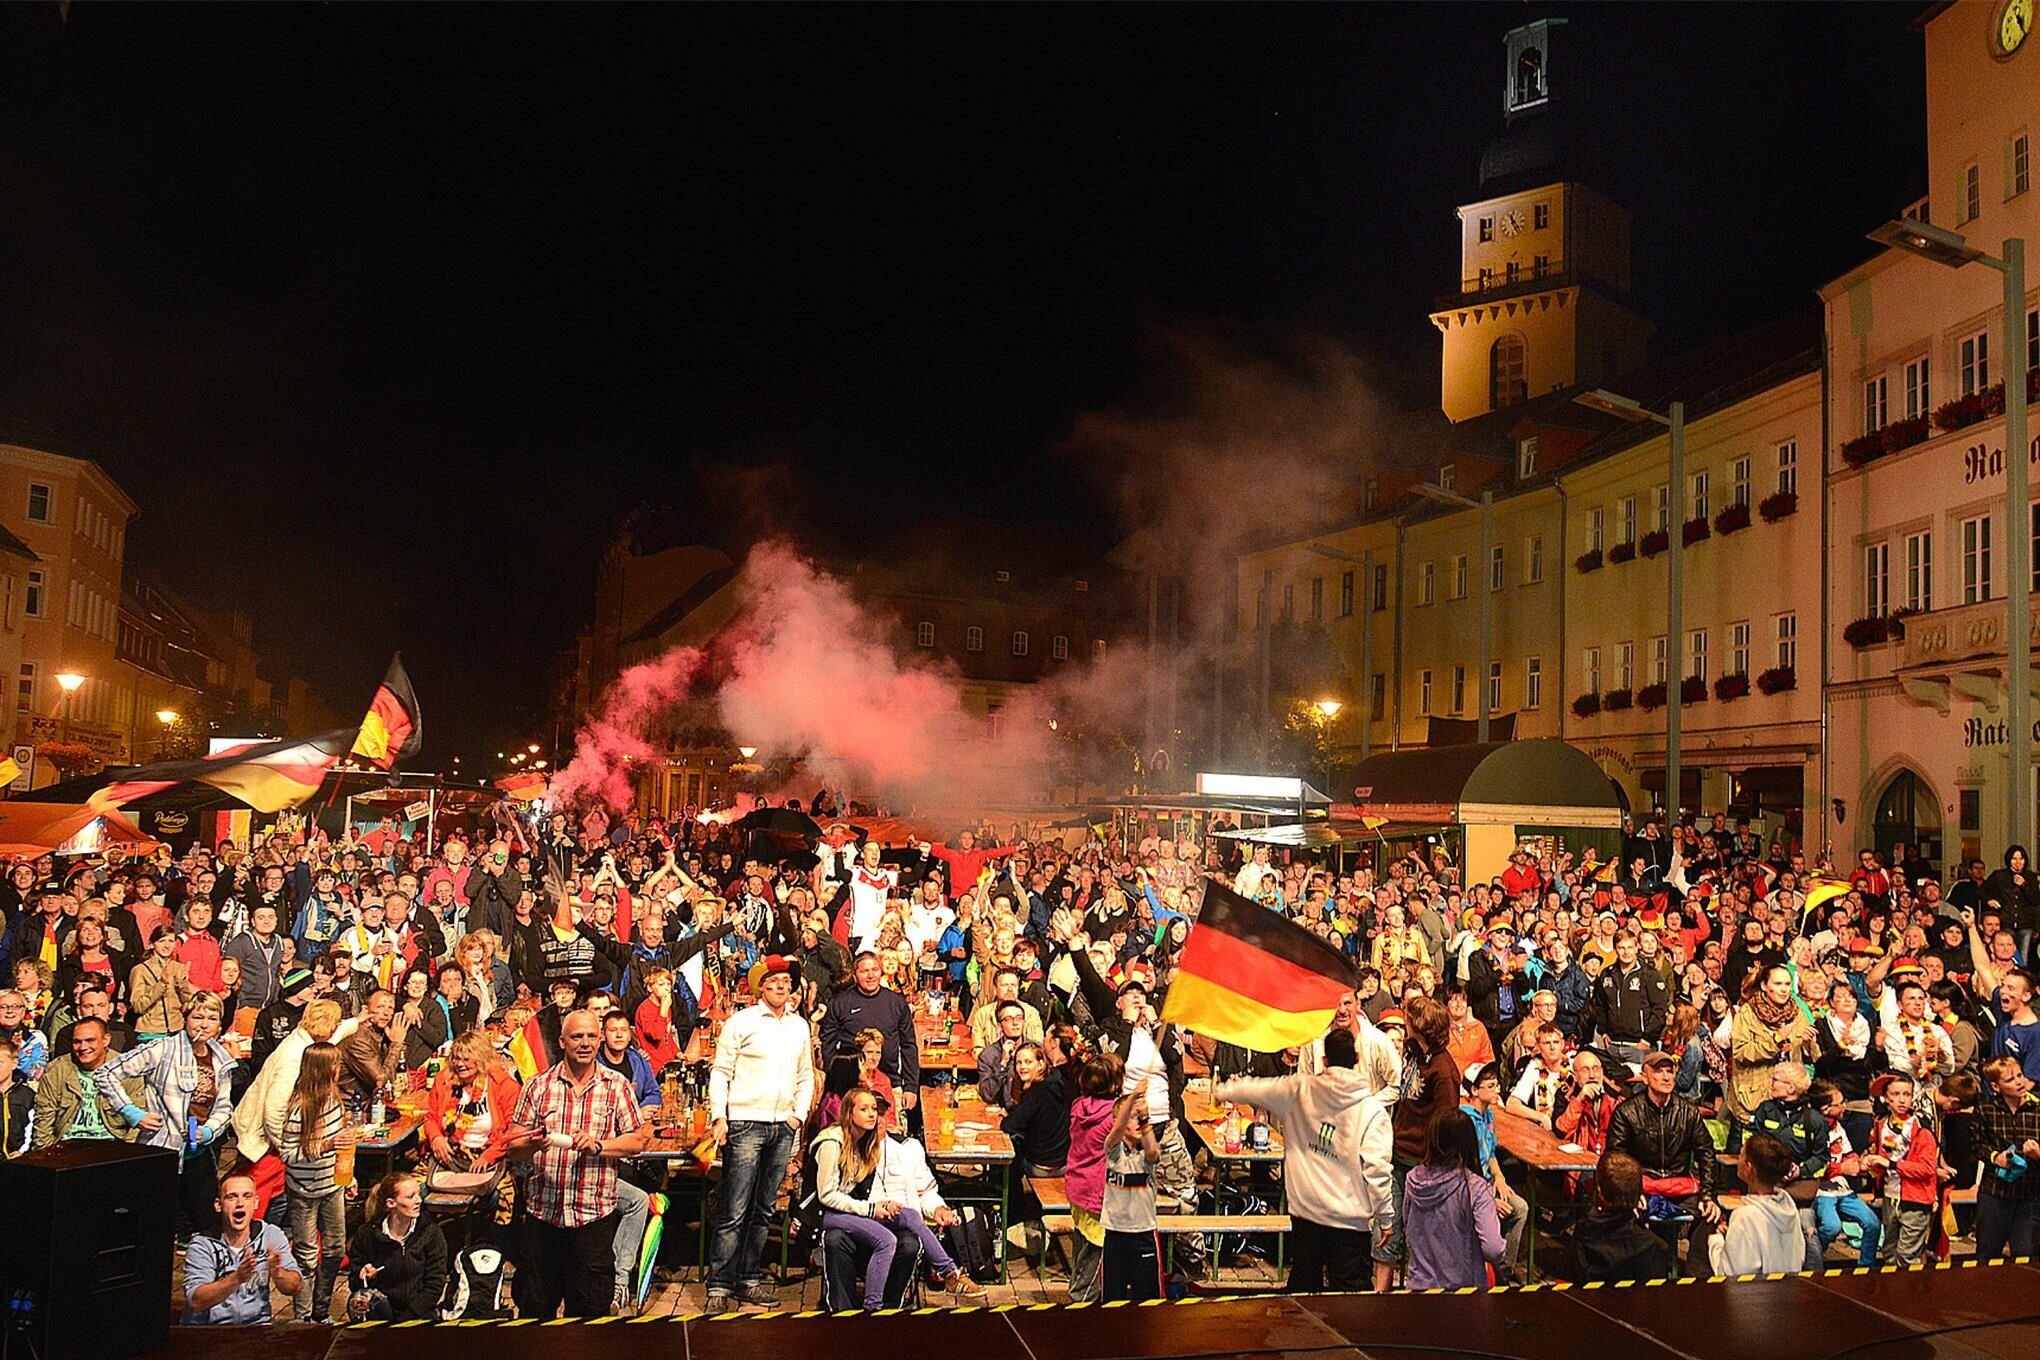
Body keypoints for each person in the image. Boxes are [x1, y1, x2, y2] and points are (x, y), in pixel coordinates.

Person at [1213, 1026, 1394, 1293]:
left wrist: (1222, 1091)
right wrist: (1385, 1217)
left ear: (1324, 1060)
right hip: (1350, 1221)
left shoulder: (1300, 1090)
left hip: (1306, 1214)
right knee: (1351, 1303)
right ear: (1356, 1060)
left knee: (1303, 1298)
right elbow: (1377, 1170)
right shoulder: (1371, 1111)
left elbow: (1256, 1088)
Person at [505, 1008, 651, 1318]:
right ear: (561, 1042)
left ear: (599, 1040)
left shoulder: (617, 1086)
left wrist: (599, 1146)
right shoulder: (538, 1086)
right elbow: (513, 1147)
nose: (584, 1043)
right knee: (535, 1311)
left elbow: (637, 1142)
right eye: (576, 1037)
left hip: (592, 1220)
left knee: (589, 1316)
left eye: (590, 1036)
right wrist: (532, 1143)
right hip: (543, 1219)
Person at [704, 955, 814, 1314]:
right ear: (761, 986)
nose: (782, 986)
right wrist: (720, 1116)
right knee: (735, 1207)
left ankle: (749, 1279)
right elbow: (720, 1072)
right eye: (774, 981)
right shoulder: (741, 1022)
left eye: (786, 981)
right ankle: (719, 1284)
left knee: (764, 1208)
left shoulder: (799, 1026)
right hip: (745, 1123)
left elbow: (806, 1074)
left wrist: (797, 1116)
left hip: (782, 1126)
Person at [92, 993, 237, 1234]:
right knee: (154, 1223)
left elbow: (223, 1106)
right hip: (163, 1149)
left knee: (207, 1224)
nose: (204, 1024)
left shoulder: (221, 1059)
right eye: (197, 1017)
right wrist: (132, 1113)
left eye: (212, 1018)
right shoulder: (163, 1049)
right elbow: (106, 1074)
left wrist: (210, 1130)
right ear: (185, 1018)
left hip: (198, 1153)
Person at [1605, 1050, 1720, 1266]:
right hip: (1643, 1185)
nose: (1667, 1077)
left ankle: (1698, 1277)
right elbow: (1615, 1157)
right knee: (1624, 1213)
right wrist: (1631, 1191)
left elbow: (1706, 1153)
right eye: (1659, 1072)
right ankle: (1638, 1276)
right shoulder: (1626, 1112)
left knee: (1710, 1213)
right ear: (1645, 1076)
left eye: (1670, 1071)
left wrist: (1707, 1195)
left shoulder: (1688, 1112)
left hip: (1679, 1186)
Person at [278, 1041, 349, 1320]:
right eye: (335, 1065)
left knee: (334, 1249)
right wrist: (326, 1144)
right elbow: (288, 1153)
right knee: (306, 1256)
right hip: (304, 1191)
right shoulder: (299, 1109)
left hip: (332, 1186)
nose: (338, 1070)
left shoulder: (334, 1100)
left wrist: (348, 1175)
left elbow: (339, 1147)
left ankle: (321, 1310)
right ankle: (303, 1314)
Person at [1402, 1106, 1505, 1289]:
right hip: (1463, 1295)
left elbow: (1407, 1227)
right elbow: (1493, 1249)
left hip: (1419, 1290)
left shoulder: (1412, 1180)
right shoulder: (1476, 1188)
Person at [182, 1172, 303, 1325]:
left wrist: (279, 1273)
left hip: (256, 1326)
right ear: (218, 1205)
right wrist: (236, 1278)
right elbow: (197, 1301)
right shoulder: (202, 1245)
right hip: (210, 1331)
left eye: (247, 1196)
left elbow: (296, 1287)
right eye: (232, 1197)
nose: (240, 1203)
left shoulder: (271, 1235)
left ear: (256, 1203)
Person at [344, 1172, 450, 1322]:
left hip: (417, 1312)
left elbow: (435, 1284)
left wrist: (407, 1318)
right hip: (382, 1308)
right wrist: (365, 1278)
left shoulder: (431, 1232)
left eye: (418, 1194)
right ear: (390, 1203)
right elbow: (355, 1282)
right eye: (410, 1196)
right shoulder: (367, 1234)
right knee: (356, 1299)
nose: (418, 1201)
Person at [1457, 1062, 1528, 1282]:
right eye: (1491, 1085)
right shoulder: (1464, 1121)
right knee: (1503, 1213)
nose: (1497, 1090)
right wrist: (1488, 1199)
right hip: (1470, 1189)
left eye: (1497, 1084)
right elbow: (1462, 1170)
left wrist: (1499, 1177)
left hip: (1488, 1183)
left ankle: (1503, 1270)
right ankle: (1493, 1272)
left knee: (1520, 1208)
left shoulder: (1488, 1116)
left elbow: (1491, 1153)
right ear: (1474, 1091)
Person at [1063, 1051, 1121, 1302]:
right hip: (1098, 1193)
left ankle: (1078, 1289)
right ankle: (1081, 1302)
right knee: (1096, 1253)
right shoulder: (1112, 1117)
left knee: (1081, 1244)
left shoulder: (1079, 1106)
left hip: (1077, 1187)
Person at [1863, 1073, 1938, 1265]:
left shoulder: (1921, 1127)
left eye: (1906, 1094)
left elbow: (1927, 1168)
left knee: (1907, 1255)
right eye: (1896, 1094)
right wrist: (1869, 1163)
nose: (1902, 1099)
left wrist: (1892, 1164)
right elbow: (1878, 1156)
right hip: (1890, 1196)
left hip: (1915, 1198)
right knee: (1889, 1251)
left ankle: (1909, 1294)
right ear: (1886, 1098)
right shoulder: (1880, 1125)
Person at [32, 1017, 141, 1147]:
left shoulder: (126, 1070)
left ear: (106, 1040)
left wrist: (127, 1153)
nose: (83, 1047)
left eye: (90, 1040)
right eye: (77, 1042)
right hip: (67, 1145)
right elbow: (43, 1120)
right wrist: (47, 1155)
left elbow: (138, 1121)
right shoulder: (56, 1070)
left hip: (112, 1144)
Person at [1971, 1054, 2040, 1261]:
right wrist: (1994, 1157)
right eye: (2010, 1080)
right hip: (1995, 1193)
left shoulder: (2037, 1109)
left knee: (2025, 1254)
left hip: (2030, 1194)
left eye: (2020, 1075)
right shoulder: (1986, 1109)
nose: (2019, 1082)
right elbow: (1975, 1145)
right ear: (1995, 1086)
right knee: (1987, 1254)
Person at [1566, 1151, 1673, 1283]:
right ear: (1639, 1193)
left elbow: (1574, 1283)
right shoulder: (1656, 1247)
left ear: (1600, 1191)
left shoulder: (1584, 1233)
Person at [1706, 1133, 1805, 1275]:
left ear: (1749, 1168)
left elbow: (1730, 1273)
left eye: (1740, 1155)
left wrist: (1717, 1242)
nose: (1737, 1160)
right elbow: (1799, 1255)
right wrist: (1733, 1238)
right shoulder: (1788, 1206)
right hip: (1788, 1291)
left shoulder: (1745, 1216)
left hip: (1757, 1294)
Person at [1809, 1078, 1882, 1267]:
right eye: (1839, 1103)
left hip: (1842, 1189)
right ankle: (1813, 1258)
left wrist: (1861, 1162)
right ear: (1825, 1109)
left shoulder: (1838, 1127)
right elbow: (1812, 1168)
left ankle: (1866, 1265)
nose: (1844, 1106)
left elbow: (1847, 1153)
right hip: (1821, 1191)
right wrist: (1841, 1168)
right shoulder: (1812, 1129)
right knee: (1832, 1227)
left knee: (1872, 1223)